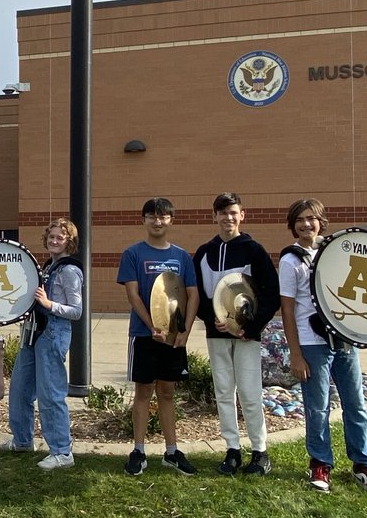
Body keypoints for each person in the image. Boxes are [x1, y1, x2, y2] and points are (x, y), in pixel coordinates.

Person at [278, 198, 367, 496]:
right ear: (292, 225)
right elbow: (287, 310)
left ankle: (364, 464)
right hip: (312, 343)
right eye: (300, 220)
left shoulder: (336, 252)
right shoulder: (290, 261)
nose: (306, 224)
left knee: (356, 404)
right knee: (317, 408)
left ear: (321, 221)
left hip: (343, 340)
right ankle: (320, 463)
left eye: (311, 218)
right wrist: (296, 354)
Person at [193, 193, 279, 476]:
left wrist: (251, 327)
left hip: (246, 336)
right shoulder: (204, 253)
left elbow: (271, 294)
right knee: (223, 392)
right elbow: (197, 295)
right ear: (214, 216)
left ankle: (259, 451)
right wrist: (211, 319)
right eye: (222, 213)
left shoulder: (254, 250)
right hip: (217, 335)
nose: (228, 218)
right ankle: (232, 449)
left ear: (242, 215)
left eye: (233, 212)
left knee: (250, 392)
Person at [116, 198, 200, 476]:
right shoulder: (132, 254)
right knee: (143, 392)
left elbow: (192, 295)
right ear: (144, 220)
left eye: (163, 216)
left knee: (167, 393)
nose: (157, 221)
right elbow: (133, 295)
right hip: (144, 335)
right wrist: (152, 325)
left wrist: (185, 331)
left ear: (170, 220)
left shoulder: (181, 256)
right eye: (152, 216)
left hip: (173, 338)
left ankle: (172, 452)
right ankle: (138, 450)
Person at [0, 218, 83, 470]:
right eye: (51, 236)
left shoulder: (69, 271)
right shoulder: (49, 266)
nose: (54, 241)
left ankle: (62, 452)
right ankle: (22, 440)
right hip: (33, 332)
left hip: (53, 333)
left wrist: (48, 304)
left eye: (60, 237)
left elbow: (76, 310)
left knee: (50, 394)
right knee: (19, 389)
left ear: (69, 241)